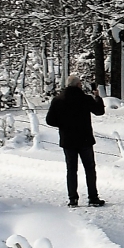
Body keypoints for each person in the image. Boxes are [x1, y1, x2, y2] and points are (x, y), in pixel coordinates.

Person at [44, 72, 107, 207]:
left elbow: (49, 120)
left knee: (71, 170)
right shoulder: (85, 99)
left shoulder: (58, 100)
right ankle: (93, 197)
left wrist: (62, 124)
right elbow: (99, 112)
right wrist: (97, 98)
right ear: (78, 85)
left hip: (68, 140)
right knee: (89, 169)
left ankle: (73, 199)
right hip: (84, 139)